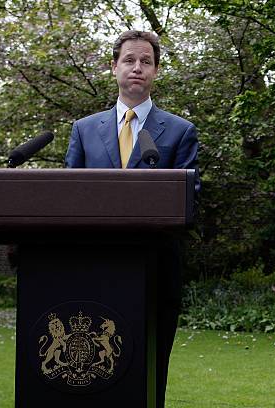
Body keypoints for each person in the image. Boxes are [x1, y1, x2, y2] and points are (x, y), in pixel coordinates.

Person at [65, 30, 198, 408]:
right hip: (94, 271)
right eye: (129, 60)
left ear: (155, 71)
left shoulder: (179, 131)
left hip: (156, 272)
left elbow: (189, 202)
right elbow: (67, 198)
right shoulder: (85, 130)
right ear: (114, 67)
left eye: (146, 62)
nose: (137, 68)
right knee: (96, 372)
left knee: (149, 372)